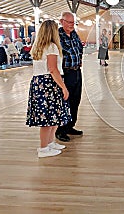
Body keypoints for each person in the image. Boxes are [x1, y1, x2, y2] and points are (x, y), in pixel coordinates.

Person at [26, 20, 70, 158]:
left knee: (52, 116)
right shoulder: (51, 46)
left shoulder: (38, 46)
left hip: (39, 82)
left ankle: (49, 143)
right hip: (49, 83)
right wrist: (63, 87)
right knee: (48, 118)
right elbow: (52, 69)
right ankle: (44, 148)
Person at [55, 12, 84, 142]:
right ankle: (60, 130)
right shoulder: (57, 35)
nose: (72, 25)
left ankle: (70, 125)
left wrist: (80, 59)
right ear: (62, 21)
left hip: (76, 71)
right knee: (65, 101)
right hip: (65, 72)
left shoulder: (74, 34)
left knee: (75, 100)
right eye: (69, 22)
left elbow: (79, 48)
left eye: (73, 22)